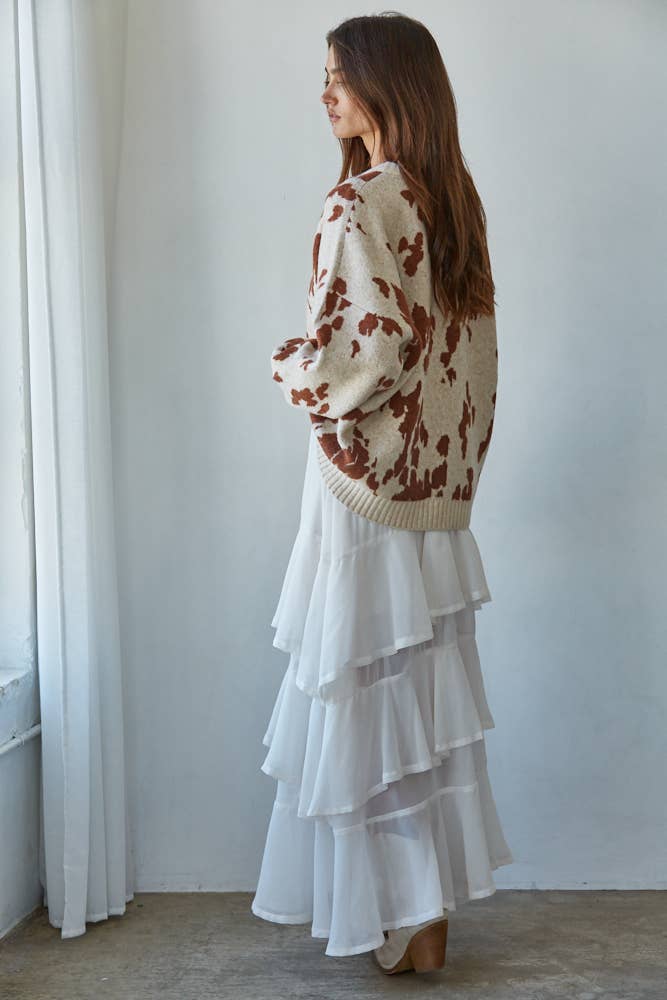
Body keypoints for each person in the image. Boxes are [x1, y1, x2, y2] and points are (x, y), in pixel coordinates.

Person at [251, 11, 513, 975]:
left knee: (361, 691)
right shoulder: (453, 201)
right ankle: (421, 915)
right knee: (416, 695)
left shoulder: (361, 200)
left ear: (387, 85)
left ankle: (401, 916)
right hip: (434, 492)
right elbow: (473, 357)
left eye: (341, 75)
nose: (325, 93)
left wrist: (289, 366)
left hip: (363, 484)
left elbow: (364, 354)